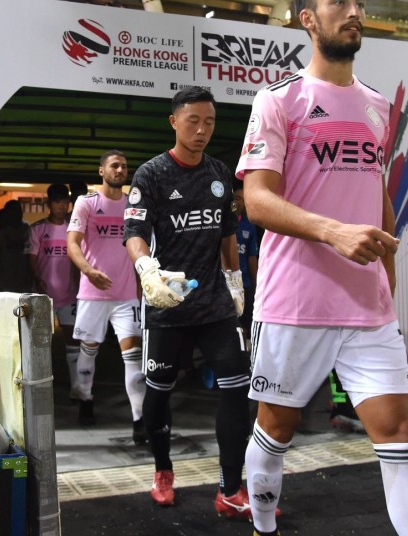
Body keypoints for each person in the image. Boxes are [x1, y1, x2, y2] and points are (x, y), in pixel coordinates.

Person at [239, 0, 408, 536]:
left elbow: (377, 193)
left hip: (366, 308)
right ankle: (262, 521)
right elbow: (256, 200)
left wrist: (388, 271)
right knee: (275, 430)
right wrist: (333, 231)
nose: (354, 12)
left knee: (401, 432)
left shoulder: (378, 106)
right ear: (309, 19)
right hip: (294, 304)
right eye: (339, 3)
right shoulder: (279, 100)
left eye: (358, 3)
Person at [122, 87, 251, 516]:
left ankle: (230, 488)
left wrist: (235, 281)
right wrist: (146, 271)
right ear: (174, 121)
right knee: (158, 395)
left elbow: (227, 233)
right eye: (193, 121)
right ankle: (162, 469)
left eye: (209, 122)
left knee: (237, 390)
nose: (201, 130)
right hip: (168, 306)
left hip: (215, 306)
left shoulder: (218, 173)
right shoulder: (152, 174)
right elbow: (135, 233)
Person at [67, 151, 146, 438]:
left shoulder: (133, 206)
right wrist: (88, 271)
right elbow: (72, 243)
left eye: (124, 166)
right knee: (89, 351)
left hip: (126, 296)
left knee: (134, 357)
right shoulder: (87, 203)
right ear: (101, 171)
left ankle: (139, 421)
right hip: (92, 294)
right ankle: (86, 399)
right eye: (115, 165)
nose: (120, 169)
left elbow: (141, 245)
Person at [28, 183, 81, 399]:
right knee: (41, 342)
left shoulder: (73, 230)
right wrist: (37, 280)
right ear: (49, 204)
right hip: (43, 297)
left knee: (73, 341)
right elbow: (31, 259)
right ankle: (40, 388)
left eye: (65, 202)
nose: (62, 206)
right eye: (57, 202)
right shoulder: (37, 229)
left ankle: (77, 387)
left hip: (69, 295)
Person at [0, 199, 31, 292]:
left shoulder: (28, 231)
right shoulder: (0, 234)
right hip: (3, 282)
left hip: (22, 282)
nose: (16, 214)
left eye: (18, 211)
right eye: (13, 211)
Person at [232, 180, 258, 333]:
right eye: (236, 198)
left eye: (243, 199)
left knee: (246, 320)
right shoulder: (220, 222)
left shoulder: (249, 226)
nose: (238, 202)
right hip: (225, 283)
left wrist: (256, 283)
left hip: (245, 283)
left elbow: (252, 257)